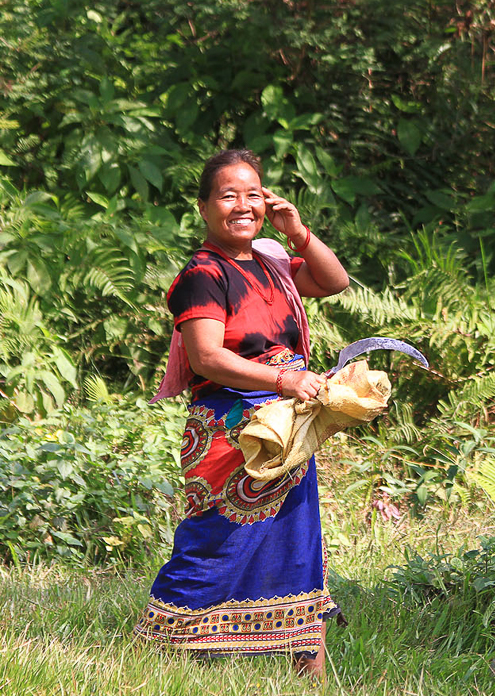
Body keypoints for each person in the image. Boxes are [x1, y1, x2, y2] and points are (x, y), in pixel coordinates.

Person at [135, 148, 349, 678]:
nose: (243, 206)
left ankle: (309, 671)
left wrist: (296, 231)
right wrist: (285, 378)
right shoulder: (203, 274)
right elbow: (208, 356)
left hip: (287, 422)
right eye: (228, 195)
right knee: (218, 541)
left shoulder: (273, 263)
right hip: (233, 431)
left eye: (252, 194)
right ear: (205, 207)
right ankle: (153, 650)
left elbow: (335, 281)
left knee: (296, 539)